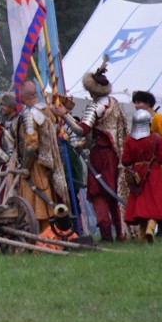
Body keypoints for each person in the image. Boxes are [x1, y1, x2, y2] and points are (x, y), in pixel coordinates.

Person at [53, 58, 128, 242]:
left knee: (99, 194)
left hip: (101, 156)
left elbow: (82, 129)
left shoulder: (95, 106)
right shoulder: (115, 103)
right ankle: (121, 233)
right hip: (115, 153)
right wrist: (83, 144)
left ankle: (105, 234)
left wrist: (65, 115)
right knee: (114, 193)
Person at [13, 81, 68, 232]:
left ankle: (43, 237)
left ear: (23, 96)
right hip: (50, 162)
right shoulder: (46, 110)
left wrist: (25, 168)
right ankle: (48, 234)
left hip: (35, 165)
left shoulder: (30, 114)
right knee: (47, 200)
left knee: (37, 204)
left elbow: (31, 146)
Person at [122, 110, 162, 243]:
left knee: (141, 207)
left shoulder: (129, 139)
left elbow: (125, 160)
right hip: (154, 173)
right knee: (157, 204)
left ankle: (142, 237)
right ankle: (151, 229)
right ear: (148, 123)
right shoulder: (156, 138)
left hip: (137, 174)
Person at [132, 90, 162, 237]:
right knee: (154, 197)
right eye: (135, 102)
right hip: (149, 167)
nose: (136, 105)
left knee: (160, 197)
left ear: (148, 104)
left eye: (139, 102)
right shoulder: (142, 120)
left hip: (160, 165)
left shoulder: (158, 118)